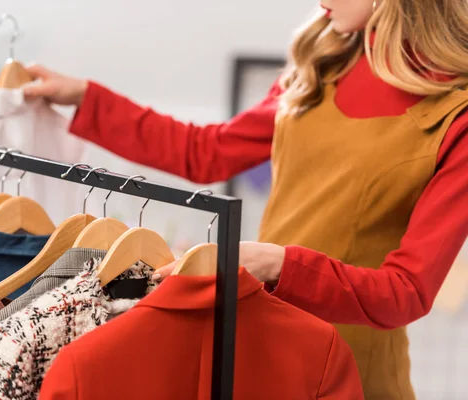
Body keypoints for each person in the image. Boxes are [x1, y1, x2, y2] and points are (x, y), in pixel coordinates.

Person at [23, 0, 468, 399]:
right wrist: (88, 99)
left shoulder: (456, 117)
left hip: (354, 374)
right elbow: (206, 152)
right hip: (261, 348)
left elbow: (405, 292)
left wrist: (278, 263)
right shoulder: (325, 63)